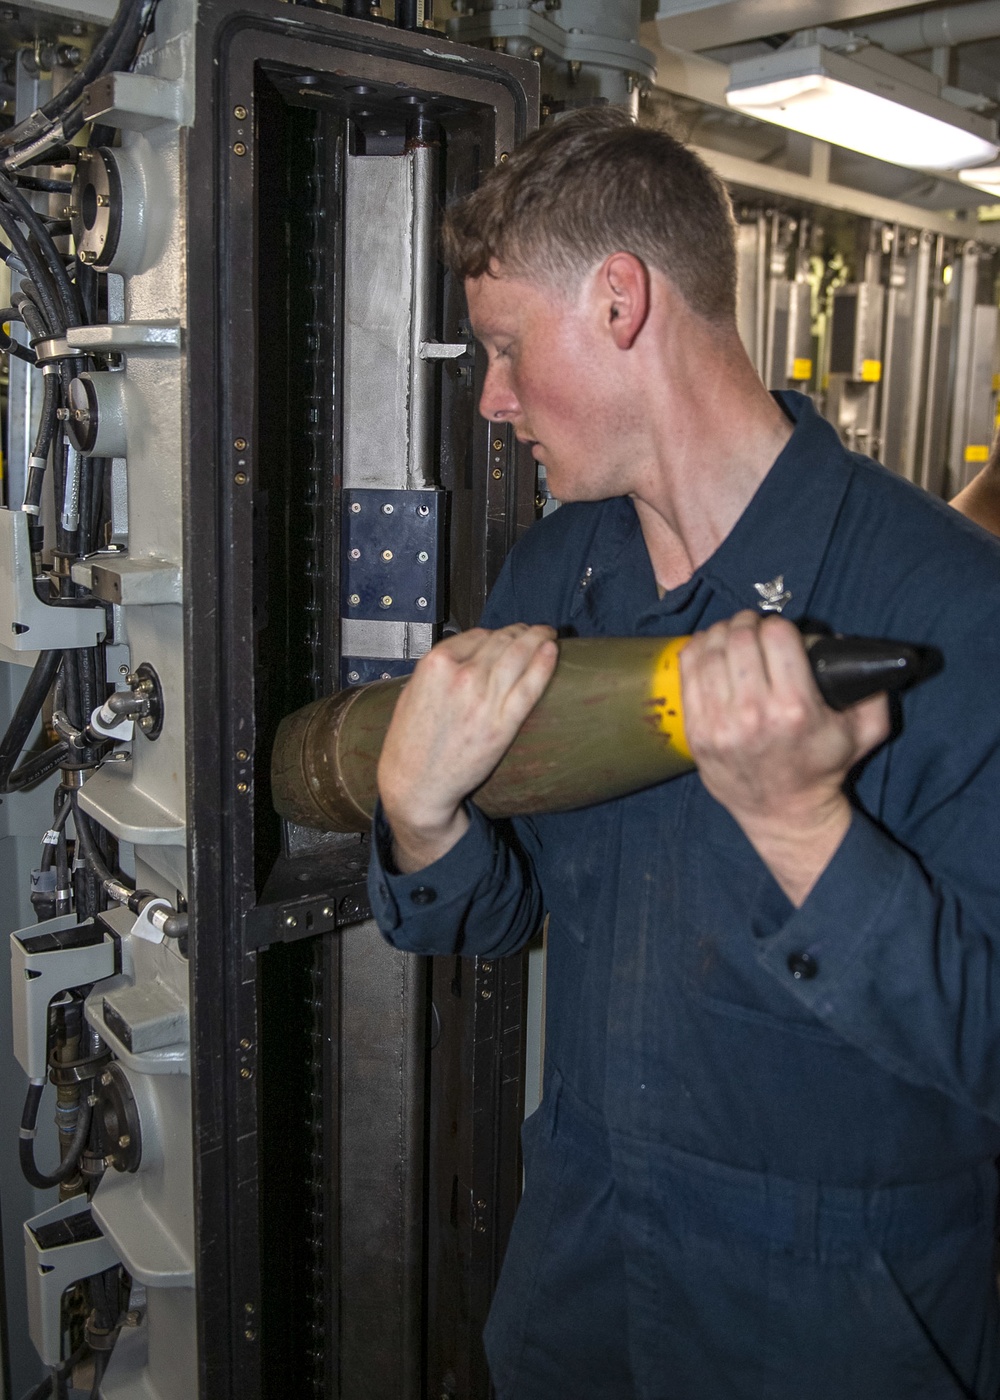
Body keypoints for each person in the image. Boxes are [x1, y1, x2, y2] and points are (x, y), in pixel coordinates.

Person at [367, 108, 1000, 1400]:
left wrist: (808, 836)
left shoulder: (948, 609)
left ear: (618, 304)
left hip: (840, 1340)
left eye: (503, 348)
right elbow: (503, 912)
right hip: (585, 1308)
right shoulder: (555, 574)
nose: (491, 403)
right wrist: (423, 823)